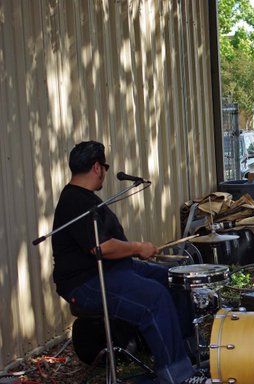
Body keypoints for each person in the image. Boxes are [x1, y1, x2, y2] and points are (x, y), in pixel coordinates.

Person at [51, 141, 208, 384]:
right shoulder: (75, 201)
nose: (105, 172)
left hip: (115, 269)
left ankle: (189, 355)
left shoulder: (87, 199)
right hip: (85, 282)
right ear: (96, 167)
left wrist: (134, 251)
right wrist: (137, 247)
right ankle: (178, 376)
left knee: (175, 278)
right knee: (154, 298)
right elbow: (101, 247)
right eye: (105, 166)